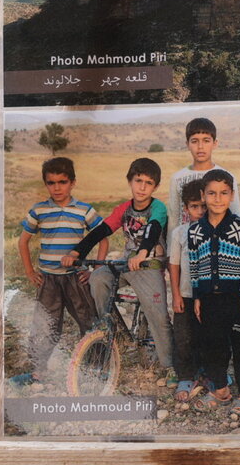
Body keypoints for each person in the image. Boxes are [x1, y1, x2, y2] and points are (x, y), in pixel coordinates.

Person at [61, 157, 176, 387]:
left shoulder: (158, 208)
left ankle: (170, 365)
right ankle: (110, 328)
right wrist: (76, 252)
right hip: (127, 262)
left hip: (148, 265)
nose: (142, 187)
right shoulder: (124, 209)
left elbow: (152, 229)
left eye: (149, 183)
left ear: (155, 187)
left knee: (159, 316)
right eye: (138, 181)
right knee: (98, 278)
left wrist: (142, 253)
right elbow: (101, 230)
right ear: (130, 181)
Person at [12, 156, 110, 388]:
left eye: (62, 182)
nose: (57, 188)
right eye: (51, 183)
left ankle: (97, 370)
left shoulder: (84, 210)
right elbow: (23, 241)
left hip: (76, 278)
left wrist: (95, 270)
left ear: (72, 183)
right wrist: (30, 272)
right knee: (45, 326)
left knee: (88, 322)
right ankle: (38, 372)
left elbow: (103, 239)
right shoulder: (39, 210)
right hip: (48, 280)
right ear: (46, 184)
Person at [187, 170, 240, 414]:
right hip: (208, 299)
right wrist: (197, 296)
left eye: (223, 193)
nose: (217, 199)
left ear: (232, 195)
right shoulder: (195, 230)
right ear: (203, 195)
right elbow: (194, 265)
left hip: (236, 298)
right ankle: (221, 390)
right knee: (213, 346)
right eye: (212, 193)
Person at [167, 178, 206, 402]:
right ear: (186, 208)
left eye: (203, 206)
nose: (199, 211)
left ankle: (208, 374)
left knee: (207, 336)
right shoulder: (180, 233)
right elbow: (174, 265)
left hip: (208, 296)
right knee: (183, 337)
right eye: (194, 206)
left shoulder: (213, 231)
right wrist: (176, 295)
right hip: (185, 294)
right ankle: (185, 376)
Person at [166, 117, 240, 227]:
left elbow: (236, 214)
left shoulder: (227, 177)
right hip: (184, 236)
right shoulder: (177, 178)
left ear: (215, 143)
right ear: (187, 144)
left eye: (206, 141)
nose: (200, 147)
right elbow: (173, 218)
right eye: (194, 141)